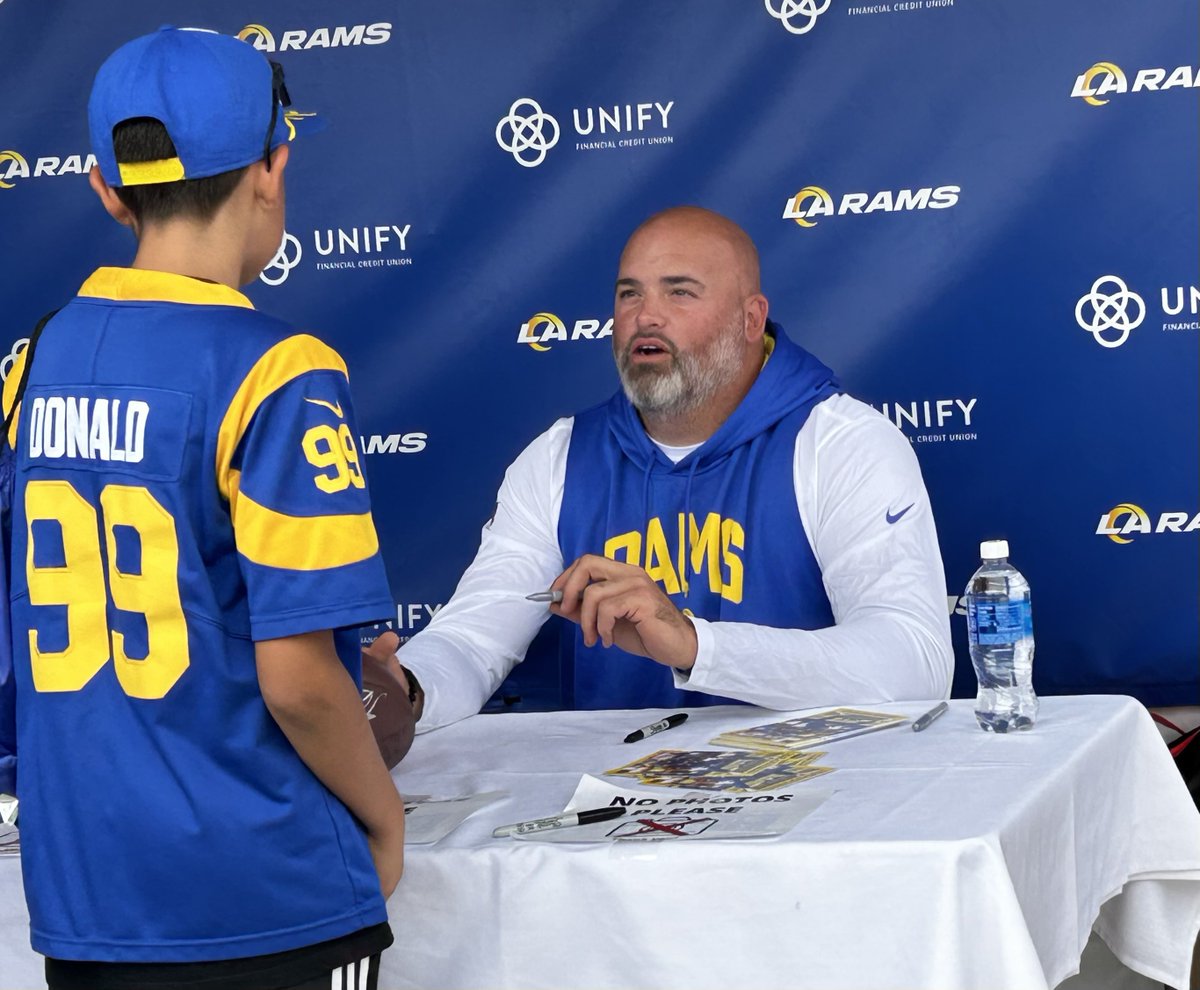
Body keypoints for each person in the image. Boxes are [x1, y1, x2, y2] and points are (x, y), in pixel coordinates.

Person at [3, 27, 404, 990]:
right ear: (274, 167)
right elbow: (300, 681)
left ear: (105, 187)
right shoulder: (277, 370)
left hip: (85, 896)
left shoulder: (31, 363)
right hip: (261, 890)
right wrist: (383, 817)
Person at [372, 206, 953, 731]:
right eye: (629, 294)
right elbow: (475, 639)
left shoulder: (842, 443)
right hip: (614, 811)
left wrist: (694, 644)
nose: (646, 316)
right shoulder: (561, 458)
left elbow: (913, 663)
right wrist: (406, 689)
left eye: (679, 293)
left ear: (751, 319)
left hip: (820, 799)